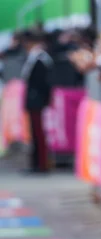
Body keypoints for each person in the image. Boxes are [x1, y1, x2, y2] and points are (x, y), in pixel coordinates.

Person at [21, 28, 53, 174]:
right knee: (34, 133)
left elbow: (42, 84)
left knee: (39, 133)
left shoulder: (41, 59)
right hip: (34, 101)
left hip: (37, 101)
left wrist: (42, 100)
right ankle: (36, 163)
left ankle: (41, 164)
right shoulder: (34, 58)